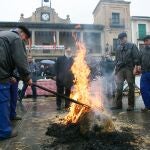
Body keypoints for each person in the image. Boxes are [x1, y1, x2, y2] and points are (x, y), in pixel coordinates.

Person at [0, 26, 32, 140]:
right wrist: (27, 78)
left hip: (3, 73)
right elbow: (21, 60)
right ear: (22, 33)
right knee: (2, 101)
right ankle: (4, 132)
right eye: (25, 39)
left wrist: (9, 76)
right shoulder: (16, 38)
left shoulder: (3, 34)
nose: (24, 41)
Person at [113, 32, 140, 111]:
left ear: (125, 38)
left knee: (131, 87)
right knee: (119, 88)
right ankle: (118, 105)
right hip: (120, 69)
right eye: (120, 39)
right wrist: (116, 70)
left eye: (122, 38)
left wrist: (136, 67)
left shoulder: (132, 46)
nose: (121, 40)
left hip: (129, 68)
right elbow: (116, 60)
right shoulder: (118, 48)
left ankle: (131, 105)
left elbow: (136, 58)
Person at [138, 35, 150, 112]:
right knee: (143, 89)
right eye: (145, 41)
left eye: (147, 40)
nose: (146, 42)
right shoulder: (142, 50)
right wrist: (137, 66)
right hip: (145, 73)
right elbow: (138, 60)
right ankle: (147, 106)